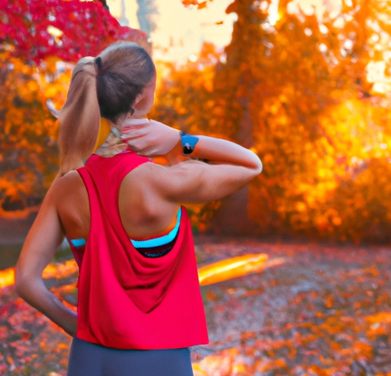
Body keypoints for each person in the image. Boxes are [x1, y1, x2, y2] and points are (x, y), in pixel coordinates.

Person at [14, 42, 262, 376]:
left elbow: (26, 280)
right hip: (159, 361)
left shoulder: (65, 187)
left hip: (89, 358)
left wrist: (80, 327)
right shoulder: (165, 182)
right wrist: (179, 139)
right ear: (142, 97)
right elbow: (251, 164)